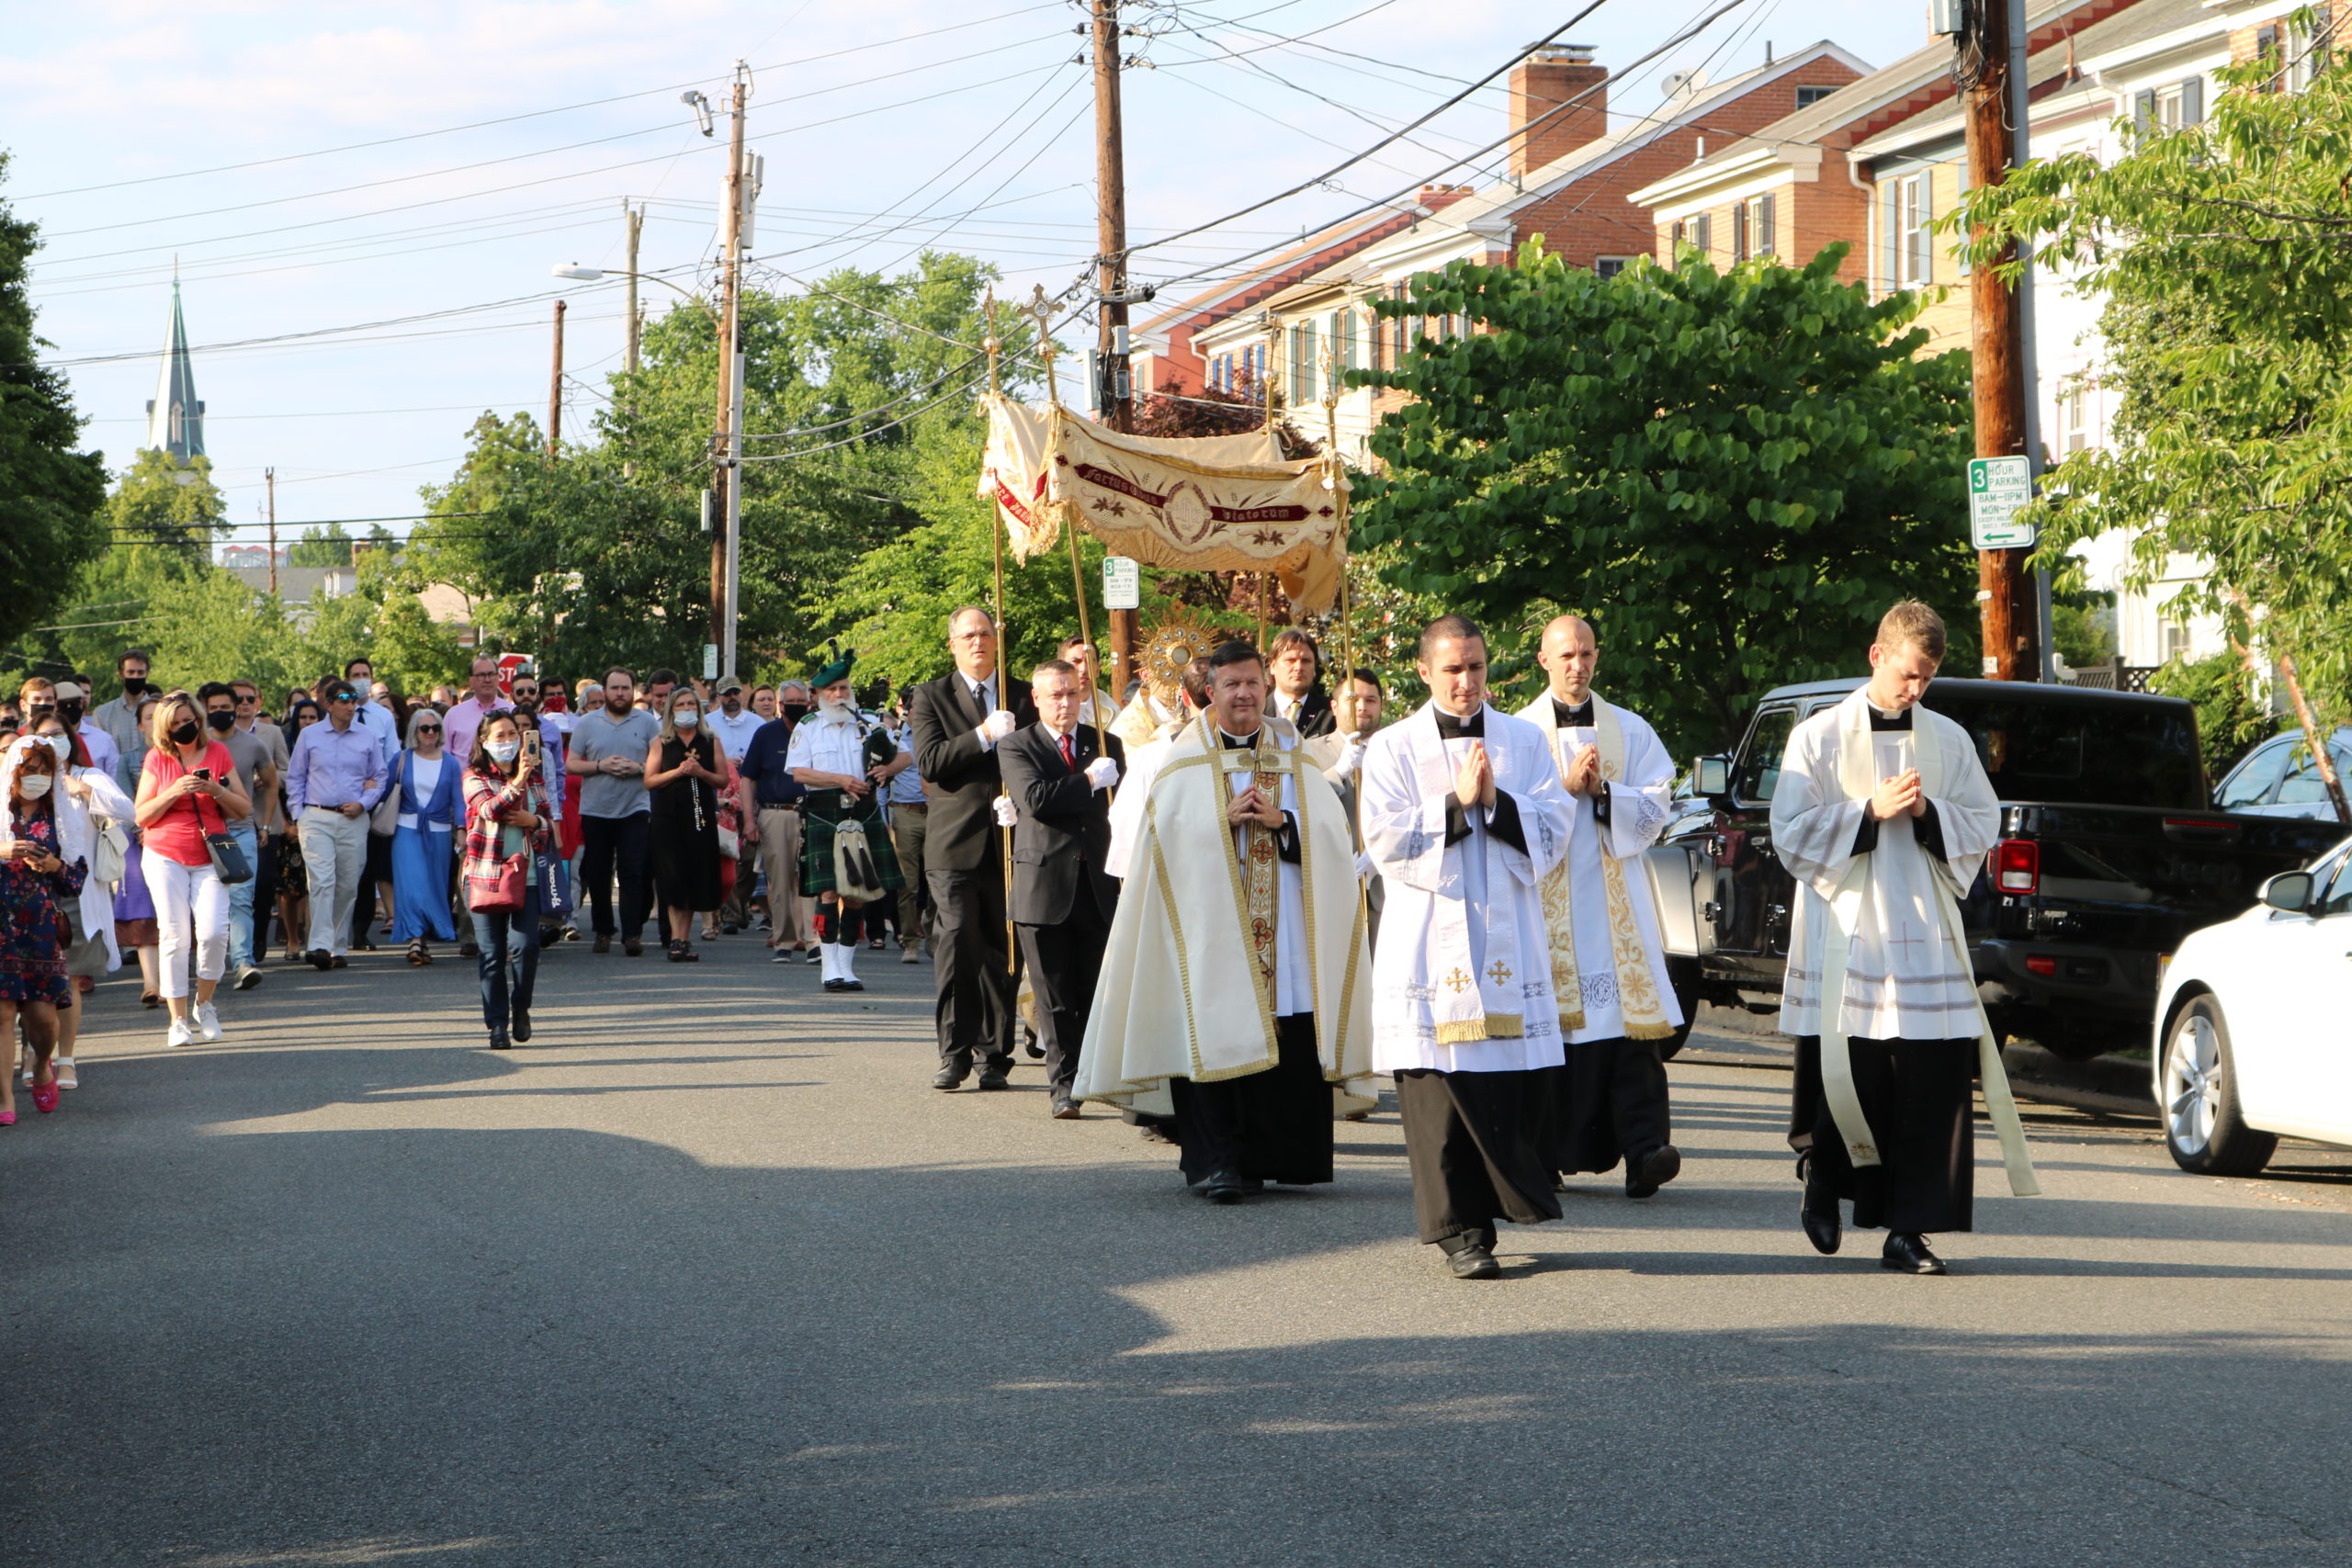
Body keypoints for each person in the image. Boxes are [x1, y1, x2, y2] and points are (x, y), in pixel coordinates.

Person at [1773, 601, 2039, 1274]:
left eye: (1926, 680)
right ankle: (1825, 1183)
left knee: (1931, 1082)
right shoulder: (1819, 735)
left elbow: (1982, 820)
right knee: (1852, 1072)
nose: (1915, 690)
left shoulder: (1947, 740)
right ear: (1876, 655)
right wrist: (1867, 812)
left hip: (1922, 932)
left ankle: (1910, 1231)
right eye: (1907, 675)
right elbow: (1790, 829)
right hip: (1849, 930)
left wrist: (1927, 813)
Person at [1077, 639, 1373, 1197]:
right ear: (1209, 692)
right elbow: (1160, 847)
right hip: (1211, 935)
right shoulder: (1185, 760)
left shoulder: (1294, 754)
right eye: (1231, 684)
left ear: (1267, 690)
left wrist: (1285, 821)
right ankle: (1216, 1164)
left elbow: (1334, 839)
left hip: (1284, 935)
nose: (1244, 693)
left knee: (1286, 1030)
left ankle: (1276, 1156)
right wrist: (1221, 821)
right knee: (1210, 1032)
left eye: (1253, 683)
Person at [1363, 615, 1576, 1280]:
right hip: (1427, 945)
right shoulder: (1393, 747)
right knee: (1438, 1089)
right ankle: (1461, 1231)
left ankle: (1499, 1204)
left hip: (1506, 937)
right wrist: (1455, 807)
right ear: (1424, 671)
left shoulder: (1524, 740)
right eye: (1452, 669)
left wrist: (1497, 802)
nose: (1466, 681)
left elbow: (1554, 826)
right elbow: (1385, 840)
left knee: (1506, 1086)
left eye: (1477, 667)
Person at [1510, 615, 1687, 1199]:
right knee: (1551, 1036)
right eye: (1565, 655)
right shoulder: (1518, 734)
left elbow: (1660, 802)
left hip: (1616, 914)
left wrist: (1606, 794)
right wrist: (1562, 789)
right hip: (1545, 906)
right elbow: (1504, 813)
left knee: (1629, 1035)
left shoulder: (1629, 730)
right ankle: (1544, 1154)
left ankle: (1645, 1153)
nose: (1576, 665)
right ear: (1543, 660)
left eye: (1585, 654)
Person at [908, 607, 1036, 1086]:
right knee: (958, 940)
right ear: (953, 645)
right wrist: (983, 736)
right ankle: (953, 1051)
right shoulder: (931, 696)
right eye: (969, 636)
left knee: (1002, 951)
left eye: (985, 633)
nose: (978, 642)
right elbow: (931, 761)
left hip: (1010, 838)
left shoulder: (1023, 695)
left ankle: (993, 1056)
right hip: (954, 844)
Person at [999, 659, 1124, 1119]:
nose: (1066, 703)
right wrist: (1088, 781)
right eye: (1056, 695)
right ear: (1037, 699)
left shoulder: (1105, 743)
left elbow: (1123, 808)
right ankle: (1064, 1086)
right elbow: (1036, 800)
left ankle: (1097, 1075)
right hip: (1043, 883)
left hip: (1096, 883)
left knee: (1094, 989)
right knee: (1052, 995)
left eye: (1072, 694)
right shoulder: (1017, 744)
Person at [134, 690, 253, 1048]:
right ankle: (178, 1020)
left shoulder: (218, 752)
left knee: (215, 931)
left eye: (190, 720)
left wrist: (213, 789)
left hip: (210, 855)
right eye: (176, 724)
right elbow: (141, 815)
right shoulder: (157, 758)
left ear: (199, 719)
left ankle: (206, 1004)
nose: (186, 728)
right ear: (164, 730)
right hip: (165, 854)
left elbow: (243, 809)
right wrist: (173, 791)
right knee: (174, 936)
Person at [788, 649, 910, 992]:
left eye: (843, 688)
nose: (839, 695)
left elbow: (906, 755)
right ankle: (828, 967)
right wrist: (840, 780)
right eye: (832, 690)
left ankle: (846, 965)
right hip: (825, 810)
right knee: (828, 892)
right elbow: (798, 772)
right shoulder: (808, 727)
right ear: (820, 695)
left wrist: (888, 769)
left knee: (857, 893)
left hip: (864, 809)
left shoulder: (869, 721)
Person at [27, 714, 132, 1091]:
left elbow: (128, 811)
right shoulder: (25, 781)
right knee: (33, 984)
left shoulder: (88, 777)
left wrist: (83, 791)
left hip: (76, 891)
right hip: (31, 893)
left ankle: (66, 1059)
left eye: (59, 734)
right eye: (44, 736)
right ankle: (34, 1054)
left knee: (68, 980)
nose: (53, 740)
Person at [1, 737, 82, 1120]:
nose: (37, 777)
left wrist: (55, 867)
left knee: (42, 1018)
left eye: (45, 771)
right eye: (30, 769)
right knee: (1, 1014)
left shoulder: (61, 816)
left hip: (41, 926)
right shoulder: (1, 810)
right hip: (2, 924)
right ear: (14, 771)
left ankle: (40, 1064)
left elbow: (78, 879)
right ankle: (5, 1099)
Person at [462, 712, 551, 1049]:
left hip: (524, 874)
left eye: (513, 734)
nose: (508, 741)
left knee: (526, 945)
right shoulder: (474, 775)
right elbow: (490, 809)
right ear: (484, 741)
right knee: (491, 954)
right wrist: (518, 782)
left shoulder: (536, 776)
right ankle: (496, 1024)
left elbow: (548, 823)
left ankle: (521, 1006)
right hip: (485, 874)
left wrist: (535, 821)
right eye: (499, 736)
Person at [286, 682, 384, 971]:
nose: (350, 706)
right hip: (316, 816)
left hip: (353, 818)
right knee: (322, 881)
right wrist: (298, 813)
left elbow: (379, 776)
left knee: (346, 884)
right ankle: (319, 945)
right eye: (343, 701)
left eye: (354, 701)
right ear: (328, 704)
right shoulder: (310, 735)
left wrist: (364, 803)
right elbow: (295, 777)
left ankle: (337, 947)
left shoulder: (368, 737)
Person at [565, 668, 659, 955]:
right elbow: (571, 764)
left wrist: (639, 768)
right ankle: (603, 931)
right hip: (597, 810)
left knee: (633, 872)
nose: (620, 693)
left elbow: (660, 762)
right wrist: (600, 766)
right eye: (614, 688)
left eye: (625, 688)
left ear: (634, 691)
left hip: (635, 808)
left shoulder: (647, 723)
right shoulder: (587, 723)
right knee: (598, 873)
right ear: (604, 691)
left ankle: (632, 934)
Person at [193, 683, 277, 992]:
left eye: (225, 707)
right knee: (204, 901)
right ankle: (207, 964)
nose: (220, 713)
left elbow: (271, 783)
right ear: (204, 708)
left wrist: (264, 824)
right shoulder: (197, 744)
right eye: (213, 708)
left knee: (241, 898)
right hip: (202, 831)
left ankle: (242, 962)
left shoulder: (254, 745)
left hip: (241, 829)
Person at [645, 688, 727, 962]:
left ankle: (683, 939)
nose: (686, 708)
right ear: (671, 710)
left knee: (694, 876)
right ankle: (675, 939)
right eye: (680, 704)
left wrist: (700, 772)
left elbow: (722, 780)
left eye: (691, 703)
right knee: (672, 877)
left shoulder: (710, 740)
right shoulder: (662, 742)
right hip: (668, 819)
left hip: (699, 818)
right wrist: (679, 771)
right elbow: (649, 780)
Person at [742, 682, 813, 963]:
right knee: (780, 880)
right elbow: (748, 778)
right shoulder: (765, 734)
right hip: (775, 813)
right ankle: (783, 940)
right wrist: (749, 819)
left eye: (802, 700)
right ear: (781, 704)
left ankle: (813, 940)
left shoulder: (816, 730)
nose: (797, 705)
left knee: (811, 880)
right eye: (791, 700)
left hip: (811, 812)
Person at [389, 707, 460, 964]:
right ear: (414, 732)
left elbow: (458, 801)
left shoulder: (450, 762)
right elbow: (385, 790)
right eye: (424, 728)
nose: (430, 733)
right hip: (406, 831)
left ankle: (424, 936)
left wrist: (461, 829)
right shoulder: (401, 758)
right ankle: (415, 939)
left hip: (440, 832)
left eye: (435, 728)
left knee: (433, 887)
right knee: (412, 886)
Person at [706, 680, 762, 931]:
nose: (732, 698)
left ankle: (740, 905)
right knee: (726, 854)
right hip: (722, 798)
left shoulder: (757, 723)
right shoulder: (708, 724)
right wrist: (723, 759)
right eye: (727, 694)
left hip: (751, 793)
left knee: (749, 856)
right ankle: (729, 914)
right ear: (718, 697)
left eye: (735, 693)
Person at [882, 705, 930, 964]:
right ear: (905, 711)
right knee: (907, 884)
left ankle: (936, 938)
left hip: (936, 812)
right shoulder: (894, 739)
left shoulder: (938, 733)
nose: (918, 712)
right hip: (904, 812)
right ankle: (910, 942)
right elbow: (882, 778)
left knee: (940, 880)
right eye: (913, 707)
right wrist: (882, 817)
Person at [1266, 626, 1335, 738]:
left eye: (1306, 661)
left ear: (1314, 668)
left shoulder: (1332, 713)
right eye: (1290, 660)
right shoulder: (1255, 712)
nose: (1298, 667)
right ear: (1273, 666)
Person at [443, 657, 511, 763]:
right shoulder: (454, 715)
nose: (487, 679)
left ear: (498, 678)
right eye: (481, 675)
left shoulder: (511, 711)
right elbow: (444, 756)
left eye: (491, 674)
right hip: (463, 778)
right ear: (471, 681)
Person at [53, 680, 121, 786]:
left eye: (75, 703)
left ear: (82, 704)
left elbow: (114, 779)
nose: (69, 708)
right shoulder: (45, 739)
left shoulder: (103, 740)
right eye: (63, 705)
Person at [90, 649, 152, 759]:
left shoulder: (160, 711)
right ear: (121, 674)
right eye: (131, 672)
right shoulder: (103, 715)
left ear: (147, 673)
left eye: (140, 672)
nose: (135, 677)